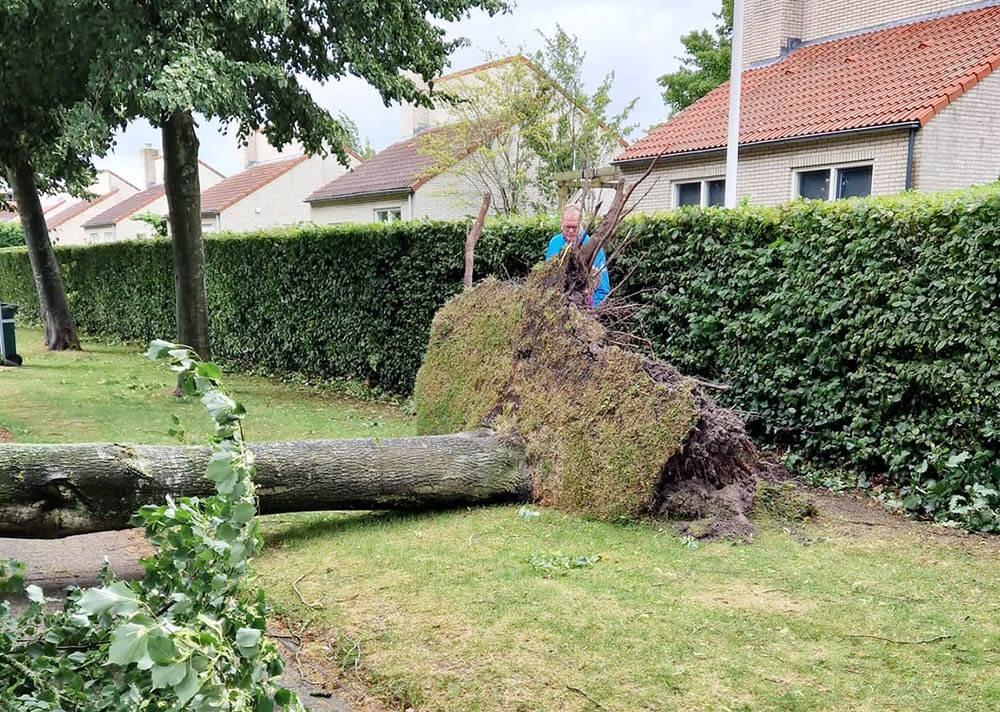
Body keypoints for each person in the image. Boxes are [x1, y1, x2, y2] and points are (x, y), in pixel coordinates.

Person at [545, 204, 611, 306]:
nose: (571, 231)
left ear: (581, 224)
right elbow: (546, 278)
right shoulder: (555, 243)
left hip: (584, 309)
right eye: (568, 227)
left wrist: (589, 311)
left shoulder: (593, 247)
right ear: (562, 225)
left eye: (574, 227)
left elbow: (603, 290)